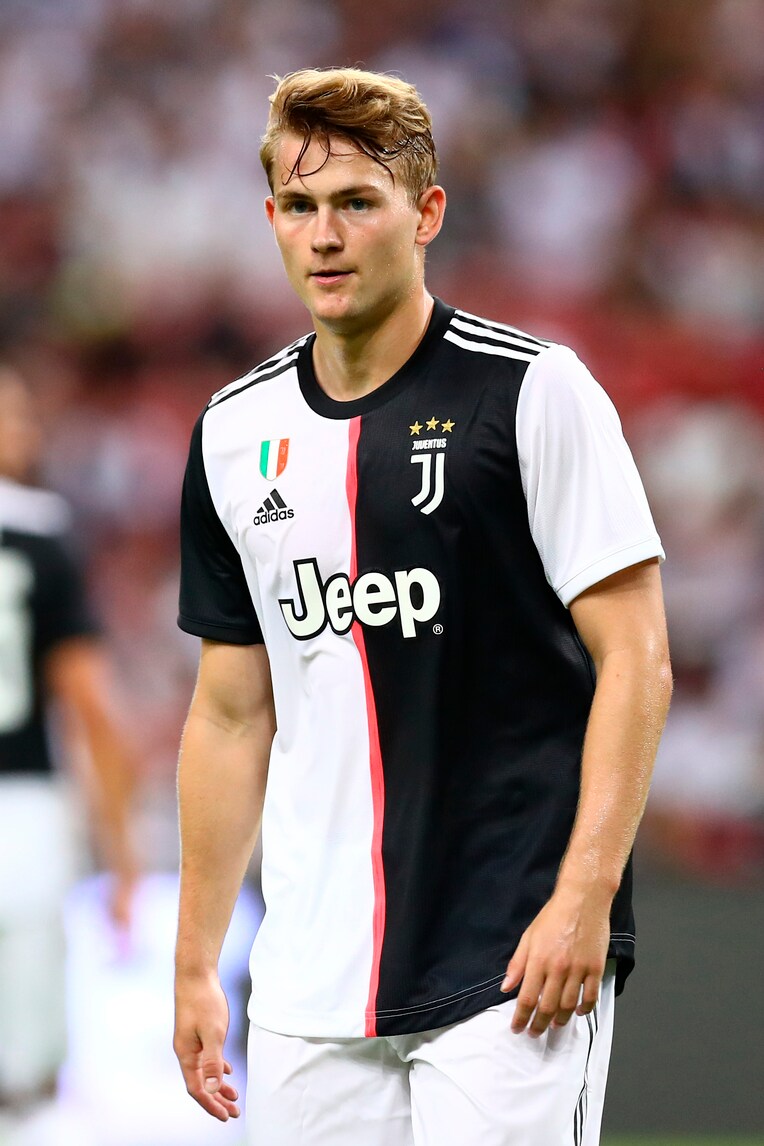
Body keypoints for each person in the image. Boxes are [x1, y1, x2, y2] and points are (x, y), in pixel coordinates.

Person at [173, 68, 672, 1146]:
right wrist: (196, 961)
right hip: (309, 980)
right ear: (271, 219)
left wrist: (583, 896)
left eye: (357, 202)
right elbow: (229, 713)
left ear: (426, 212)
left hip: (512, 955)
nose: (324, 235)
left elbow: (637, 657)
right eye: (299, 205)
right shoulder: (230, 432)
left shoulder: (534, 391)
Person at [0, 366, 138, 1113]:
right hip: (20, 816)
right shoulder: (40, 536)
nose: (26, 431)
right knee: (23, 1077)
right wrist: (120, 852)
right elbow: (93, 708)